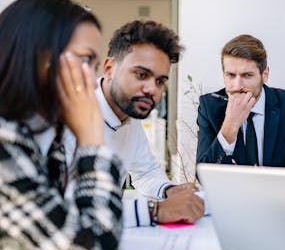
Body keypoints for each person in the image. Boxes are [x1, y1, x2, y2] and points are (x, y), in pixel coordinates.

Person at [0, 0, 124, 250]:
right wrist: (93, 141)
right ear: (36, 55)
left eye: (93, 65)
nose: (92, 81)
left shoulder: (40, 135)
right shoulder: (4, 142)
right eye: (84, 59)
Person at [65, 20, 204, 228]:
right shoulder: (65, 118)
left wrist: (169, 190)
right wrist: (154, 211)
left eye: (160, 81)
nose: (152, 89)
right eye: (141, 75)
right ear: (109, 69)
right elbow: (63, 210)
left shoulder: (130, 116)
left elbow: (145, 172)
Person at [196, 34, 285, 169]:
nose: (237, 85)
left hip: (277, 189)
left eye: (247, 75)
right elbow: (203, 175)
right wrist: (230, 126)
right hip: (231, 190)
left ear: (265, 74)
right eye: (231, 75)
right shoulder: (209, 107)